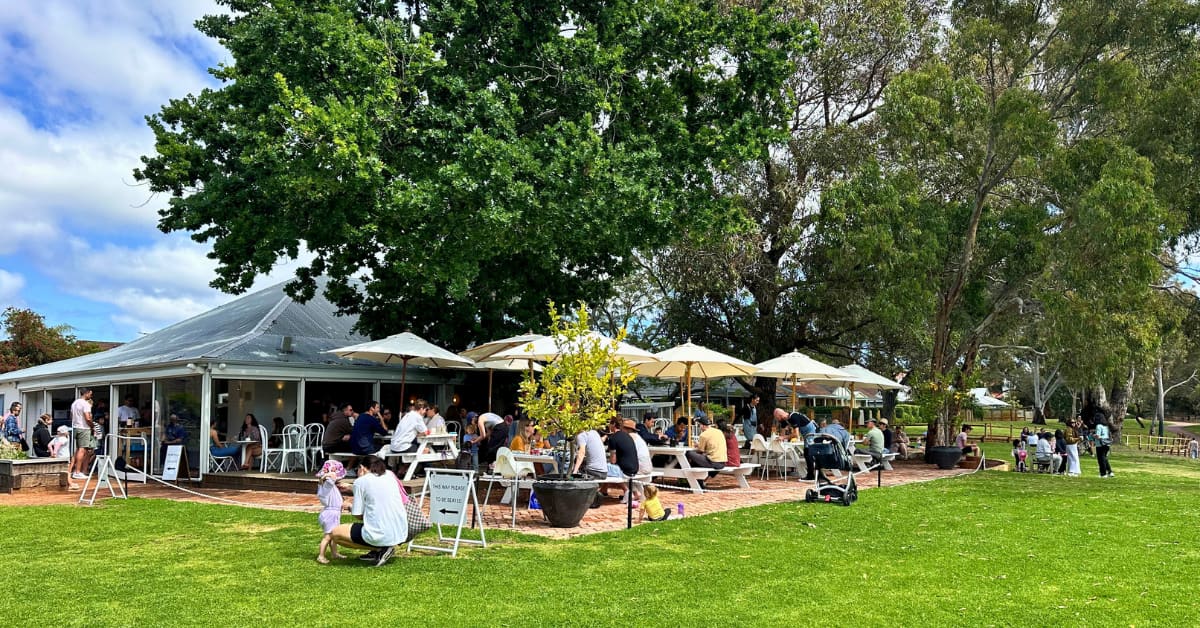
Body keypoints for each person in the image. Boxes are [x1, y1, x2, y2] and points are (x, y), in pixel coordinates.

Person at [329, 455, 407, 567]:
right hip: (400, 531)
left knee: (335, 534)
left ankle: (380, 548)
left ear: (362, 468)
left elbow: (358, 515)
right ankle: (379, 549)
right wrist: (352, 488)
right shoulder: (389, 475)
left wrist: (349, 506)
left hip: (382, 533)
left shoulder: (360, 482)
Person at [315, 460, 348, 564]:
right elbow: (332, 476)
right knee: (328, 536)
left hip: (331, 513)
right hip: (330, 514)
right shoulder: (327, 485)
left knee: (334, 535)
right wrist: (326, 475)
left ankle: (334, 553)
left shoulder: (324, 485)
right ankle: (321, 556)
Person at [684, 416, 727, 487]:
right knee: (697, 460)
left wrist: (697, 446)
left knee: (689, 453)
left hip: (713, 462)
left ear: (702, 425)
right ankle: (698, 482)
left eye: (699, 425)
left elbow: (701, 450)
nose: (698, 426)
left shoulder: (704, 435)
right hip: (723, 461)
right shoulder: (719, 431)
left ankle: (695, 482)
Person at [69, 388, 96, 482]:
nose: (91, 396)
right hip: (84, 428)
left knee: (78, 450)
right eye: (90, 394)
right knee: (82, 449)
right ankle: (77, 472)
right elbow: (88, 418)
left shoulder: (75, 403)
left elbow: (71, 416)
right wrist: (93, 427)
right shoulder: (85, 404)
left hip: (76, 427)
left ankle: (72, 471)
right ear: (87, 393)